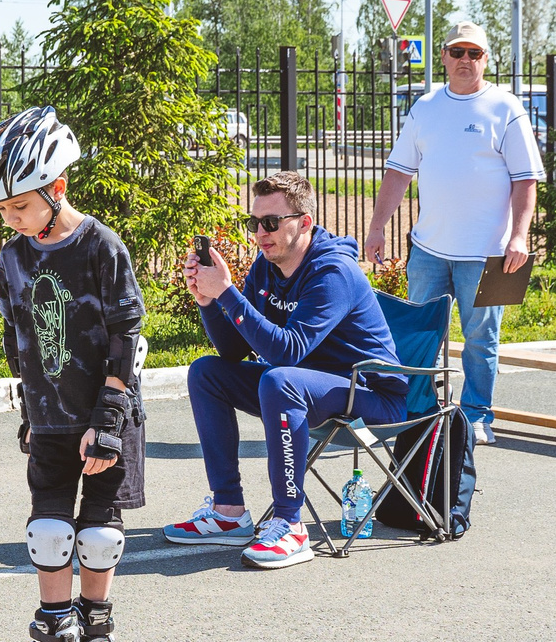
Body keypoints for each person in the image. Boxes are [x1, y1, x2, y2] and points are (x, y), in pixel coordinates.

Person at [0, 107, 146, 642]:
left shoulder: (100, 246)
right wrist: (26, 403)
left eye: (20, 206)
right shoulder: (14, 257)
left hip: (105, 413)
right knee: (48, 529)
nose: (11, 220)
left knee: (98, 534)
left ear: (57, 188)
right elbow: (17, 335)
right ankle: (53, 637)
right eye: (3, 211)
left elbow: (128, 332)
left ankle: (97, 635)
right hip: (49, 415)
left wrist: (112, 414)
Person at [170, 170, 414, 566]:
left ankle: (290, 523)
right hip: (306, 386)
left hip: (370, 394)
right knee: (206, 373)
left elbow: (288, 352)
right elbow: (233, 350)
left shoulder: (332, 272)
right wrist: (208, 301)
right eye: (254, 223)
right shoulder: (268, 264)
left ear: (304, 223)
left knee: (280, 380)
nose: (259, 233)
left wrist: (228, 293)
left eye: (270, 223)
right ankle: (229, 513)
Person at [361, 22, 543, 444]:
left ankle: (477, 416)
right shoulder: (425, 108)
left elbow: (526, 179)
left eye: (474, 53)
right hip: (428, 249)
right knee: (419, 334)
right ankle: (420, 415)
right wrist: (376, 228)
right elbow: (398, 172)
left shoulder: (505, 107)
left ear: (486, 59)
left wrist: (519, 237)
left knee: (482, 338)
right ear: (443, 56)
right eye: (457, 52)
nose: (465, 60)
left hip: (491, 254)